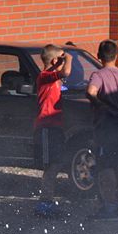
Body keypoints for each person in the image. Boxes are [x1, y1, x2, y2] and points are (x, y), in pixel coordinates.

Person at [86, 40, 118, 220]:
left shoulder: (98, 74)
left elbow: (91, 92)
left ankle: (109, 208)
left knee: (106, 165)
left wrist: (100, 105)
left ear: (99, 56)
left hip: (106, 126)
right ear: (116, 56)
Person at [33, 44, 72, 218]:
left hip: (54, 127)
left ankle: (47, 200)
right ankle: (44, 203)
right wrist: (69, 58)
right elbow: (65, 73)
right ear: (56, 60)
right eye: (60, 59)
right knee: (50, 166)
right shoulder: (44, 76)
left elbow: (60, 74)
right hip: (46, 127)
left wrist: (61, 58)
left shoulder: (52, 76)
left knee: (56, 163)